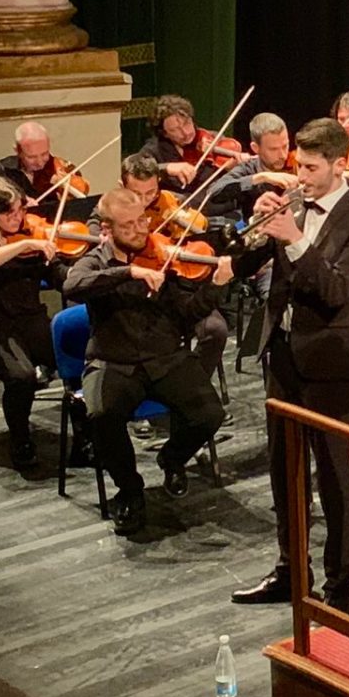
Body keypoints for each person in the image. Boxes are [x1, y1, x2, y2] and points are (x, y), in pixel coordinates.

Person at [225, 118, 349, 614]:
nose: (301, 176)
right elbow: (239, 266)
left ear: (340, 165)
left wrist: (295, 238)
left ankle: (340, 590)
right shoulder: (293, 203)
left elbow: (337, 290)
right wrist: (255, 233)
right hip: (283, 355)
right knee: (284, 472)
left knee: (335, 479)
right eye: (299, 165)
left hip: (331, 361)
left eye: (312, 168)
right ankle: (291, 570)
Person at [61, 189, 234, 535]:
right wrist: (129, 272)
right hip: (114, 361)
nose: (141, 230)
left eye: (142, 220)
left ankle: (172, 458)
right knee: (102, 415)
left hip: (165, 357)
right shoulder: (96, 261)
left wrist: (216, 286)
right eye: (128, 225)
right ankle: (129, 490)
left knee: (209, 414)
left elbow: (188, 313)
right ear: (107, 230)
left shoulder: (164, 256)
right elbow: (72, 285)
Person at [0, 176, 66, 467]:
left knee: (76, 359)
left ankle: (85, 434)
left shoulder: (33, 234)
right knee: (21, 377)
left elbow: (60, 277)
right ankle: (20, 439)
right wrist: (24, 245)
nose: (18, 218)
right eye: (9, 213)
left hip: (31, 322)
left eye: (20, 210)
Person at [117, 152, 228, 386]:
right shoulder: (111, 210)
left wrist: (182, 223)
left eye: (150, 192)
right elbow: (95, 231)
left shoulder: (172, 201)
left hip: (178, 289)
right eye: (137, 194)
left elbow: (202, 227)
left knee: (215, 330)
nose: (145, 201)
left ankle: (194, 386)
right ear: (122, 186)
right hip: (137, 294)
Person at [202, 111, 299, 223]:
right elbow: (213, 193)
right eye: (273, 149)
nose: (282, 155)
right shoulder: (249, 169)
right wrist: (262, 177)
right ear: (255, 148)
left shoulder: (298, 162)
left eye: (285, 146)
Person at [0, 120, 89, 205]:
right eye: (31, 157)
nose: (40, 162)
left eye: (44, 154)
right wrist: (17, 201)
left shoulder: (63, 168)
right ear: (17, 151)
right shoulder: (3, 170)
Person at [141, 94, 230, 194]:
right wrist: (166, 168)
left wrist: (234, 167)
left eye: (187, 123)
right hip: (176, 202)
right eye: (175, 130)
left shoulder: (215, 139)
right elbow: (136, 170)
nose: (186, 132)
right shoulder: (154, 150)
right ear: (164, 133)